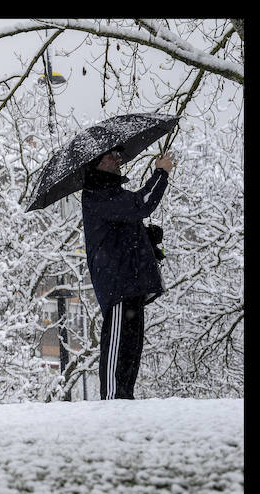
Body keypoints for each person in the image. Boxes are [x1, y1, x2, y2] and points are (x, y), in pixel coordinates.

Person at [81, 147, 176, 400]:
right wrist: (161, 173)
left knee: (131, 349)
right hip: (118, 284)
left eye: (117, 154)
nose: (117, 158)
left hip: (131, 284)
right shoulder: (96, 194)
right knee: (117, 345)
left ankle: (124, 400)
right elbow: (141, 204)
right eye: (111, 155)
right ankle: (112, 401)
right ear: (96, 163)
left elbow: (123, 228)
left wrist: (146, 239)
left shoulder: (111, 193)